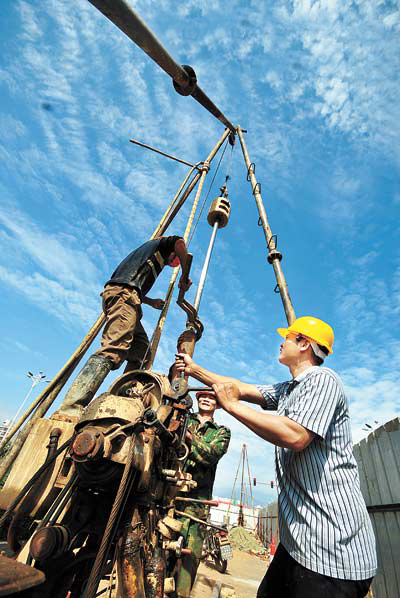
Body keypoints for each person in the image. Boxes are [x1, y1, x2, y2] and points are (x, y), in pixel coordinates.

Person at [175, 316, 377, 598]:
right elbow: (240, 387)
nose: (281, 343)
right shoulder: (289, 390)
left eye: (287, 337)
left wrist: (232, 407)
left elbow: (295, 436)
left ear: (304, 343)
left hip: (332, 556)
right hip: (298, 547)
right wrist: (195, 370)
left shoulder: (323, 380)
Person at [59, 235, 191, 418]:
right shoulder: (163, 245)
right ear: (172, 255)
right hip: (124, 297)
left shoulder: (142, 259)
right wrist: (185, 275)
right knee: (114, 347)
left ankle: (120, 401)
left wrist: (150, 301)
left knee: (142, 351)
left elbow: (127, 284)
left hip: (127, 297)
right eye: (172, 261)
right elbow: (180, 243)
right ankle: (71, 408)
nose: (169, 264)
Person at [175, 390, 230, 598]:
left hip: (196, 501)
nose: (206, 399)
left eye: (211, 398)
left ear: (217, 405)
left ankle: (181, 594)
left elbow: (210, 455)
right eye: (202, 397)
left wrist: (189, 436)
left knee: (191, 552)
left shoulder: (221, 432)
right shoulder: (180, 418)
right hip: (169, 494)